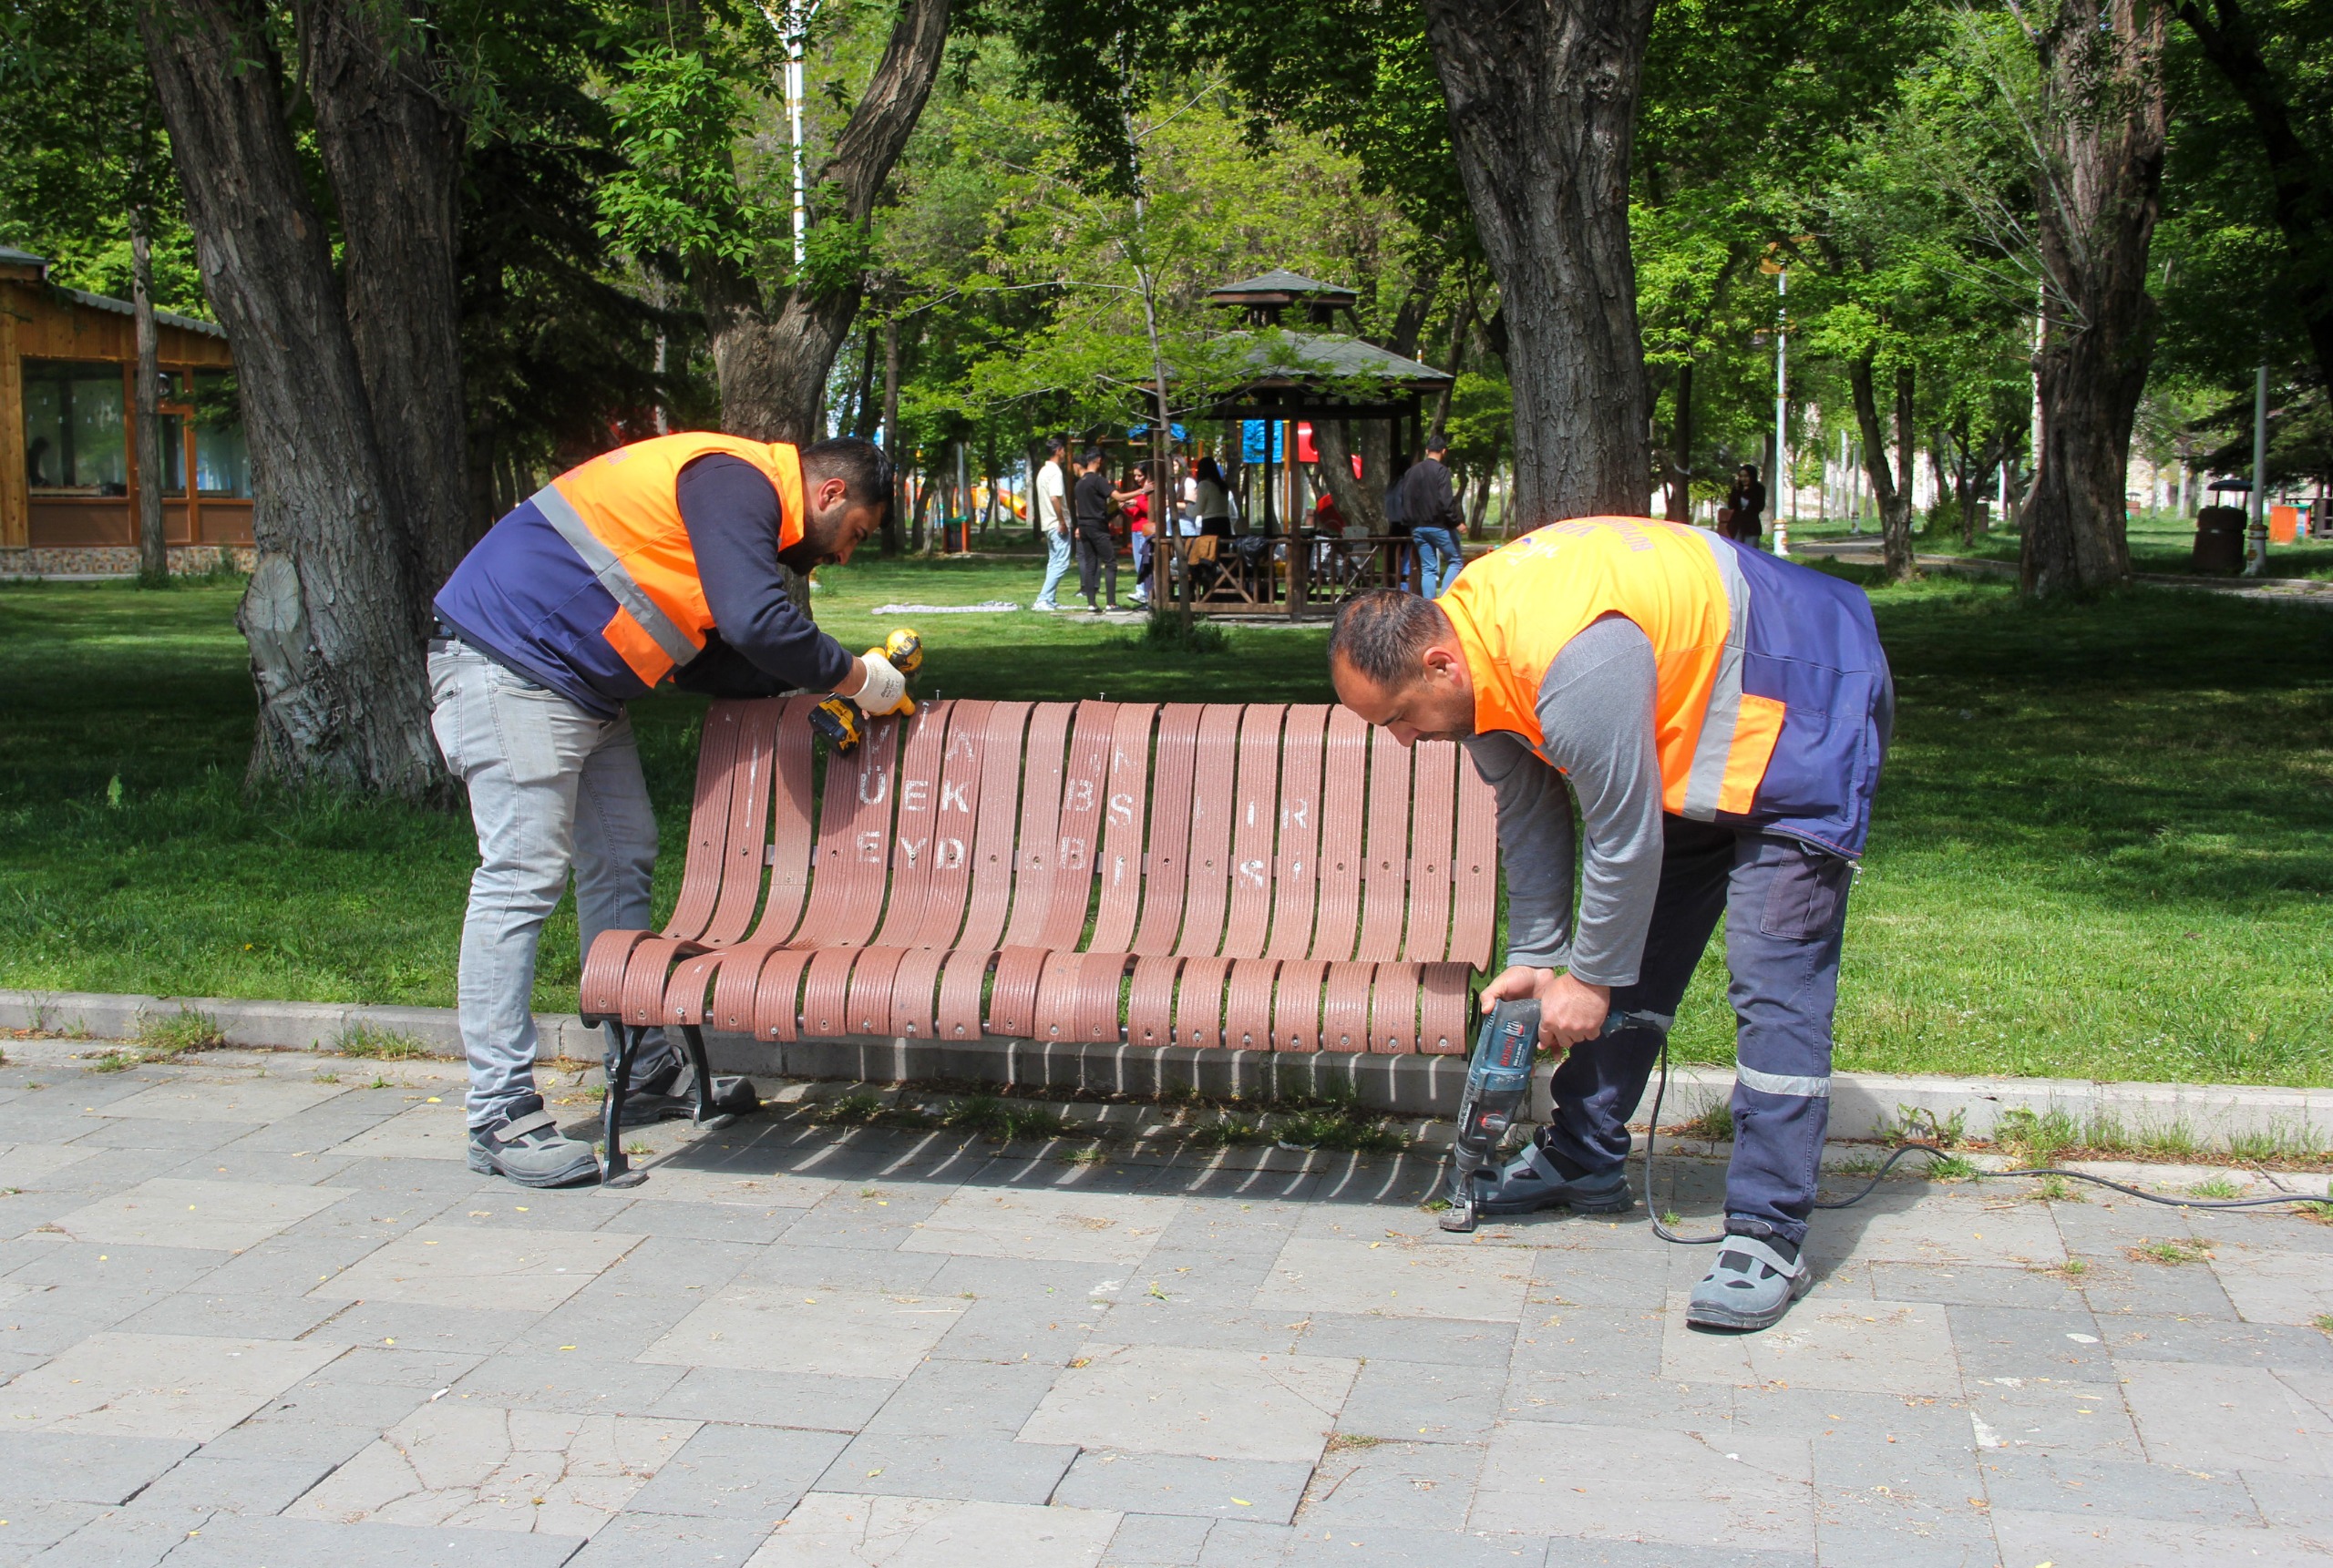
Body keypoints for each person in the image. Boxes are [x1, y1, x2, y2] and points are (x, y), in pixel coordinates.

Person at [1325, 518, 1892, 1333]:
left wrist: (1589, 979)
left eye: (1399, 717)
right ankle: (1583, 1154)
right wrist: (1538, 956)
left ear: (1439, 663)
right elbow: (1529, 807)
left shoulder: (1568, 662)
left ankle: (1768, 1231)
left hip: (1806, 700)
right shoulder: (1471, 646)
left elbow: (1622, 833)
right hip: (1702, 732)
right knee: (1633, 939)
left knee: (1774, 977)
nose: (1407, 740)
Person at [431, 431, 905, 1187]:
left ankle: (643, 1067)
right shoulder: (734, 480)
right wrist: (857, 677)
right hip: (513, 663)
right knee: (520, 878)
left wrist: (815, 679)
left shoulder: (736, 503)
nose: (846, 554)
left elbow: (711, 655)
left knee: (625, 855)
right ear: (830, 494)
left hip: (577, 682)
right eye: (855, 533)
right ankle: (498, 1111)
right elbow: (756, 623)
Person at [1402, 433, 1465, 597]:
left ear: (1426, 450)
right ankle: (1445, 600)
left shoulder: (1411, 472)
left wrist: (1410, 522)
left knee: (1428, 568)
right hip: (1438, 526)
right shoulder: (1441, 471)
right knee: (1455, 561)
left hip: (1417, 527)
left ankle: (1429, 605)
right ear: (1444, 451)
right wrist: (1456, 522)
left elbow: (1405, 498)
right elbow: (1446, 501)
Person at [1072, 447, 1119, 611]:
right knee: (1110, 563)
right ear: (1099, 460)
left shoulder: (1080, 483)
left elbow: (1079, 508)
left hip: (1084, 526)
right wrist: (1142, 491)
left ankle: (1091, 604)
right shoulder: (1098, 480)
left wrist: (1079, 526)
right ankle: (1111, 603)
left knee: (1090, 564)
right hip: (1097, 526)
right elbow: (1118, 497)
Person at [1032, 436, 1072, 610]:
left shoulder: (1043, 471)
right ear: (1058, 451)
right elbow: (1055, 497)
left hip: (1047, 523)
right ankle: (1043, 599)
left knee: (1054, 562)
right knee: (1062, 562)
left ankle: (1050, 599)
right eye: (1063, 450)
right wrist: (1062, 521)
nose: (1065, 453)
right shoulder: (1055, 472)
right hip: (1056, 523)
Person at [1121, 461, 1157, 608]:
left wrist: (1137, 503)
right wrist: (1125, 508)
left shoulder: (1151, 491)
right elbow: (1135, 513)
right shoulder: (1140, 491)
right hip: (1136, 530)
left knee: (1145, 562)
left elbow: (1150, 510)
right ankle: (1142, 592)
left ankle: (1146, 594)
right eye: (1135, 476)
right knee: (1138, 563)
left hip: (1146, 530)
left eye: (1140, 475)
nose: (1137, 479)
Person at [1194, 456, 1236, 538]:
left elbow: (1197, 510)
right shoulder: (1223, 486)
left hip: (1210, 524)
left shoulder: (1204, 485)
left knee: (1209, 546)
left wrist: (1188, 507)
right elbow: (1234, 515)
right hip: (1225, 524)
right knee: (1223, 546)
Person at [1728, 464, 1767, 545]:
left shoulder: (1759, 489)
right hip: (1737, 525)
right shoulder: (1737, 488)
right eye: (1741, 476)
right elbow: (1731, 505)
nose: (1743, 479)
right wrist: (1737, 492)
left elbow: (1760, 507)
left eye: (1746, 476)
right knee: (1737, 548)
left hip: (1751, 526)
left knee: (1749, 549)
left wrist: (1747, 493)